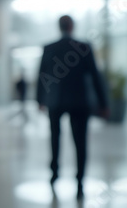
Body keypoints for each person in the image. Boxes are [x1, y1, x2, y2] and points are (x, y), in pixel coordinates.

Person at [37, 15, 108, 201]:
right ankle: (80, 181)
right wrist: (103, 103)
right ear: (72, 26)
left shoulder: (49, 47)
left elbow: (42, 75)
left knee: (55, 139)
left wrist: (40, 100)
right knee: (80, 142)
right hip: (79, 101)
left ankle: (54, 174)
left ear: (59, 26)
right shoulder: (83, 47)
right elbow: (95, 75)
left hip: (55, 100)